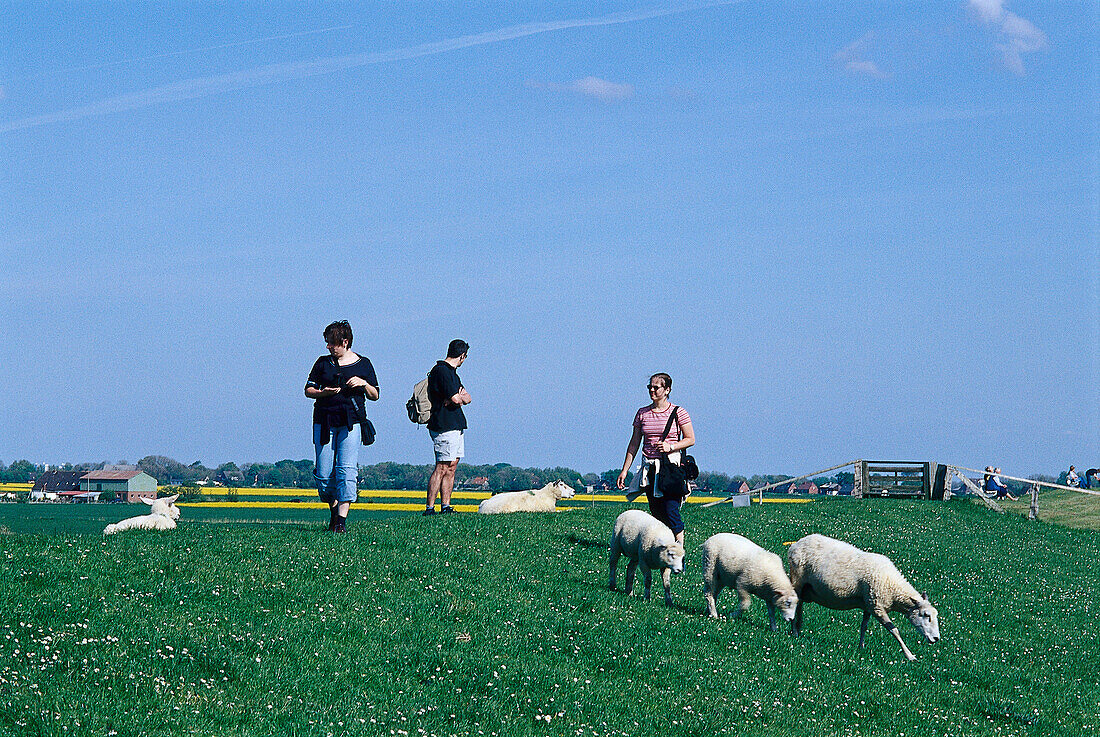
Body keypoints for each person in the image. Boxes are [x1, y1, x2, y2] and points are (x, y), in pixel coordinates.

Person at [304, 321, 378, 533]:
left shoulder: (364, 364)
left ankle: (340, 523)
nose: (328, 347)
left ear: (344, 342)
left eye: (332, 343)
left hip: (351, 422)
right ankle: (334, 509)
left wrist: (363, 384)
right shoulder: (322, 363)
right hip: (323, 421)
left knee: (346, 471)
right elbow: (308, 390)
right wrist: (323, 393)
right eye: (327, 343)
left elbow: (375, 395)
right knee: (324, 474)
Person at [616, 373, 695, 546]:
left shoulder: (678, 412)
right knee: (657, 511)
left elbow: (691, 439)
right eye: (649, 387)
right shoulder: (642, 413)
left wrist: (670, 446)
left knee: (671, 509)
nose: (651, 390)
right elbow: (634, 443)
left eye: (656, 387)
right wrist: (624, 470)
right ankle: (663, 548)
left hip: (671, 470)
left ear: (667, 390)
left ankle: (679, 551)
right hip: (650, 470)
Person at [424, 339, 471, 516]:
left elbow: (467, 397)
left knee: (452, 465)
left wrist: (458, 397)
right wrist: (457, 397)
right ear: (462, 355)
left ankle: (445, 506)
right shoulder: (441, 371)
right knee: (442, 466)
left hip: (455, 424)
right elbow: (457, 399)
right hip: (443, 425)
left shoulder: (453, 374)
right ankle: (429, 508)